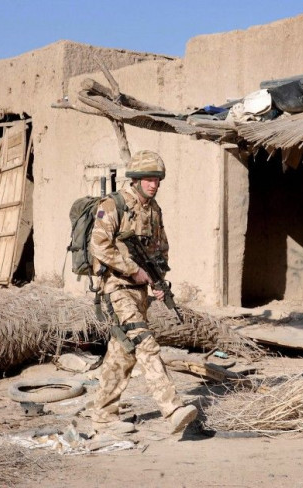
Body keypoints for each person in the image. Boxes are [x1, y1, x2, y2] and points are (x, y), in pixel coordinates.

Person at [89, 150, 197, 434]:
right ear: (135, 179)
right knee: (146, 344)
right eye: (148, 179)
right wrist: (133, 270)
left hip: (139, 289)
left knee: (122, 353)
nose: (154, 184)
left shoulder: (153, 209)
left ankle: (103, 416)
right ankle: (172, 408)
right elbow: (99, 245)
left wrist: (158, 280)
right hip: (116, 287)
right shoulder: (112, 205)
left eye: (157, 179)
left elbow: (159, 248)